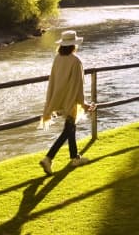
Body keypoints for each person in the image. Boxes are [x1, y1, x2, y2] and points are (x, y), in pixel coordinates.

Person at [39, 29, 95, 175]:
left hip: (59, 99)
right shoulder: (76, 61)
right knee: (67, 131)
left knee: (70, 129)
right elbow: (78, 86)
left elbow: (54, 81)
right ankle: (48, 158)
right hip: (70, 101)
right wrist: (84, 104)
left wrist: (52, 101)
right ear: (74, 45)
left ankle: (74, 157)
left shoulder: (57, 59)